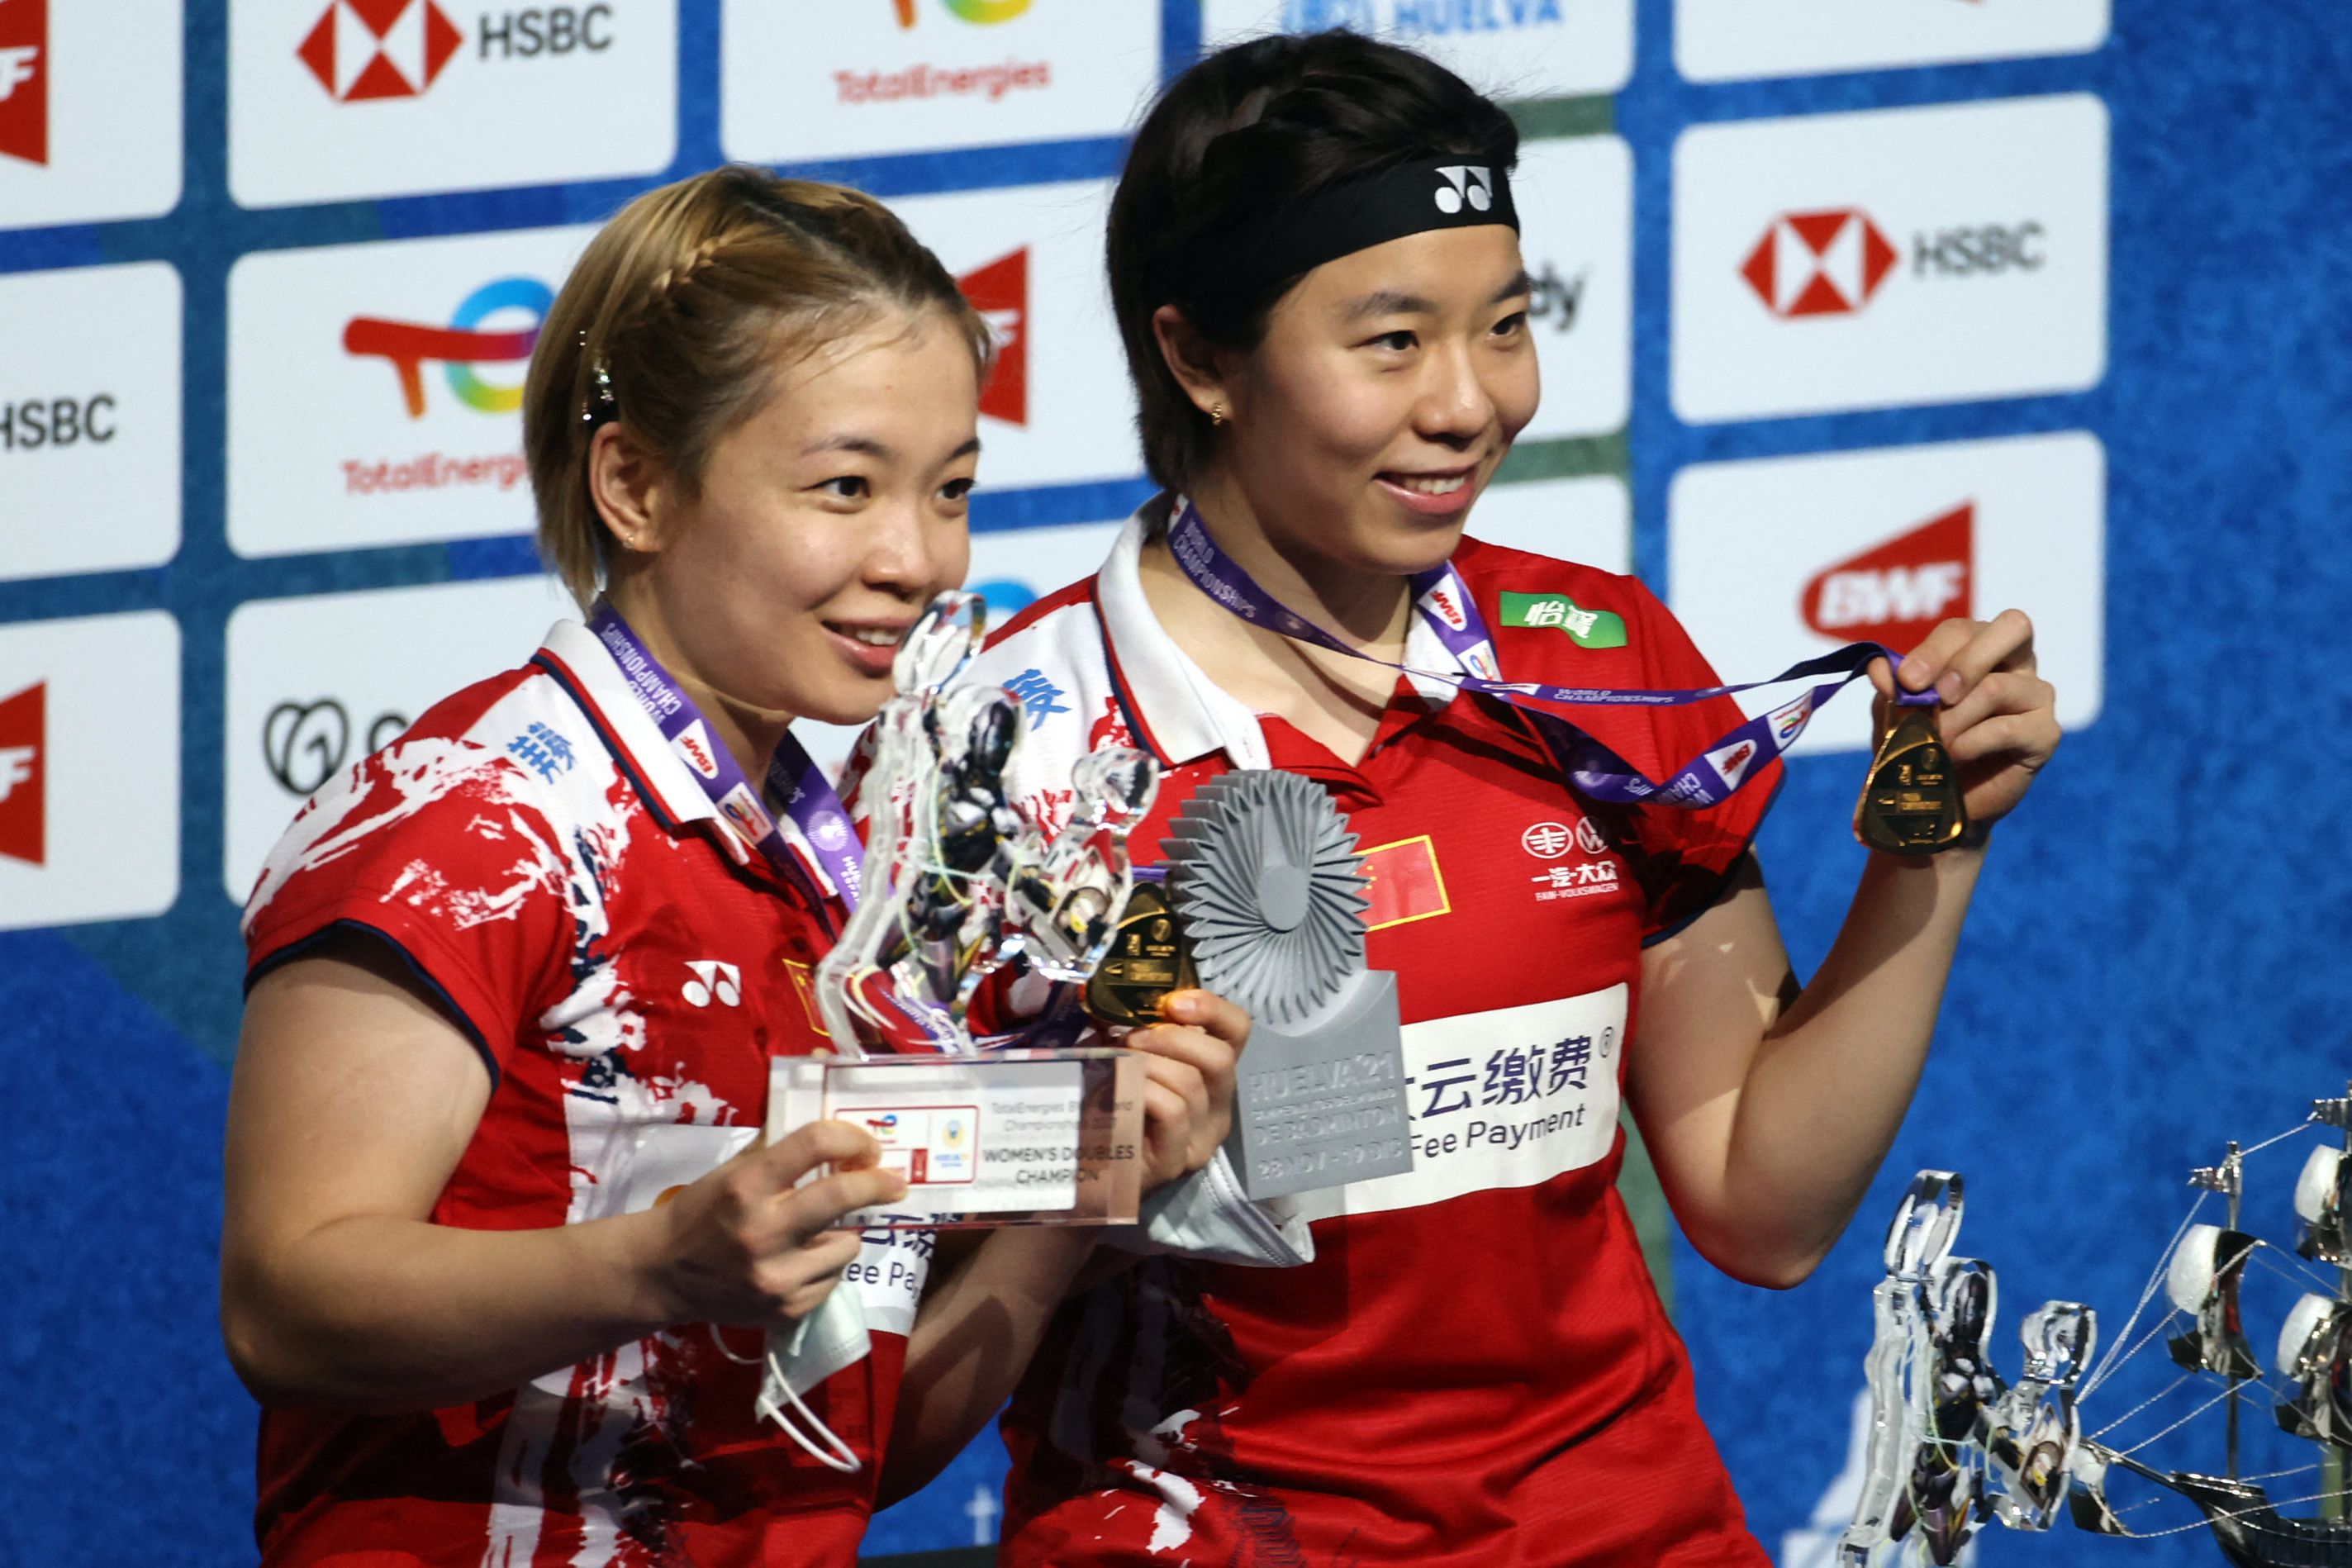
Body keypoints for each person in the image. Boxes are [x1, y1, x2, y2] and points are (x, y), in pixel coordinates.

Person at [949, 32, 2063, 1566]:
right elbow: (885, 1398)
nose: (1474, 403)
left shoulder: (1593, 658)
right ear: (1200, 359)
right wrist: (1087, 1160)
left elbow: (1760, 1198)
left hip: (1636, 1527)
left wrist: (1934, 850)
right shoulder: (1015, 757)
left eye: (1509, 325)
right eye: (1393, 341)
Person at [219, 164, 1246, 1567]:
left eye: (950, 489)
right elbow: (284, 1303)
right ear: (635, 483)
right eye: (845, 487)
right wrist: (654, 1264)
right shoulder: (478, 818)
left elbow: (843, 1455)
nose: (917, 557)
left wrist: (1084, 1184)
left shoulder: (847, 882)